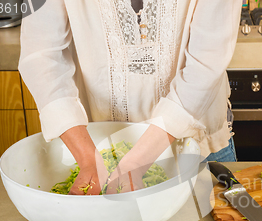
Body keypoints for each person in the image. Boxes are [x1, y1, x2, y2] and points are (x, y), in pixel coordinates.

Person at [19, 0, 241, 195]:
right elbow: (41, 55)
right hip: (97, 149)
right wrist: (88, 159)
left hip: (199, 150)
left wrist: (136, 161)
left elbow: (207, 61)